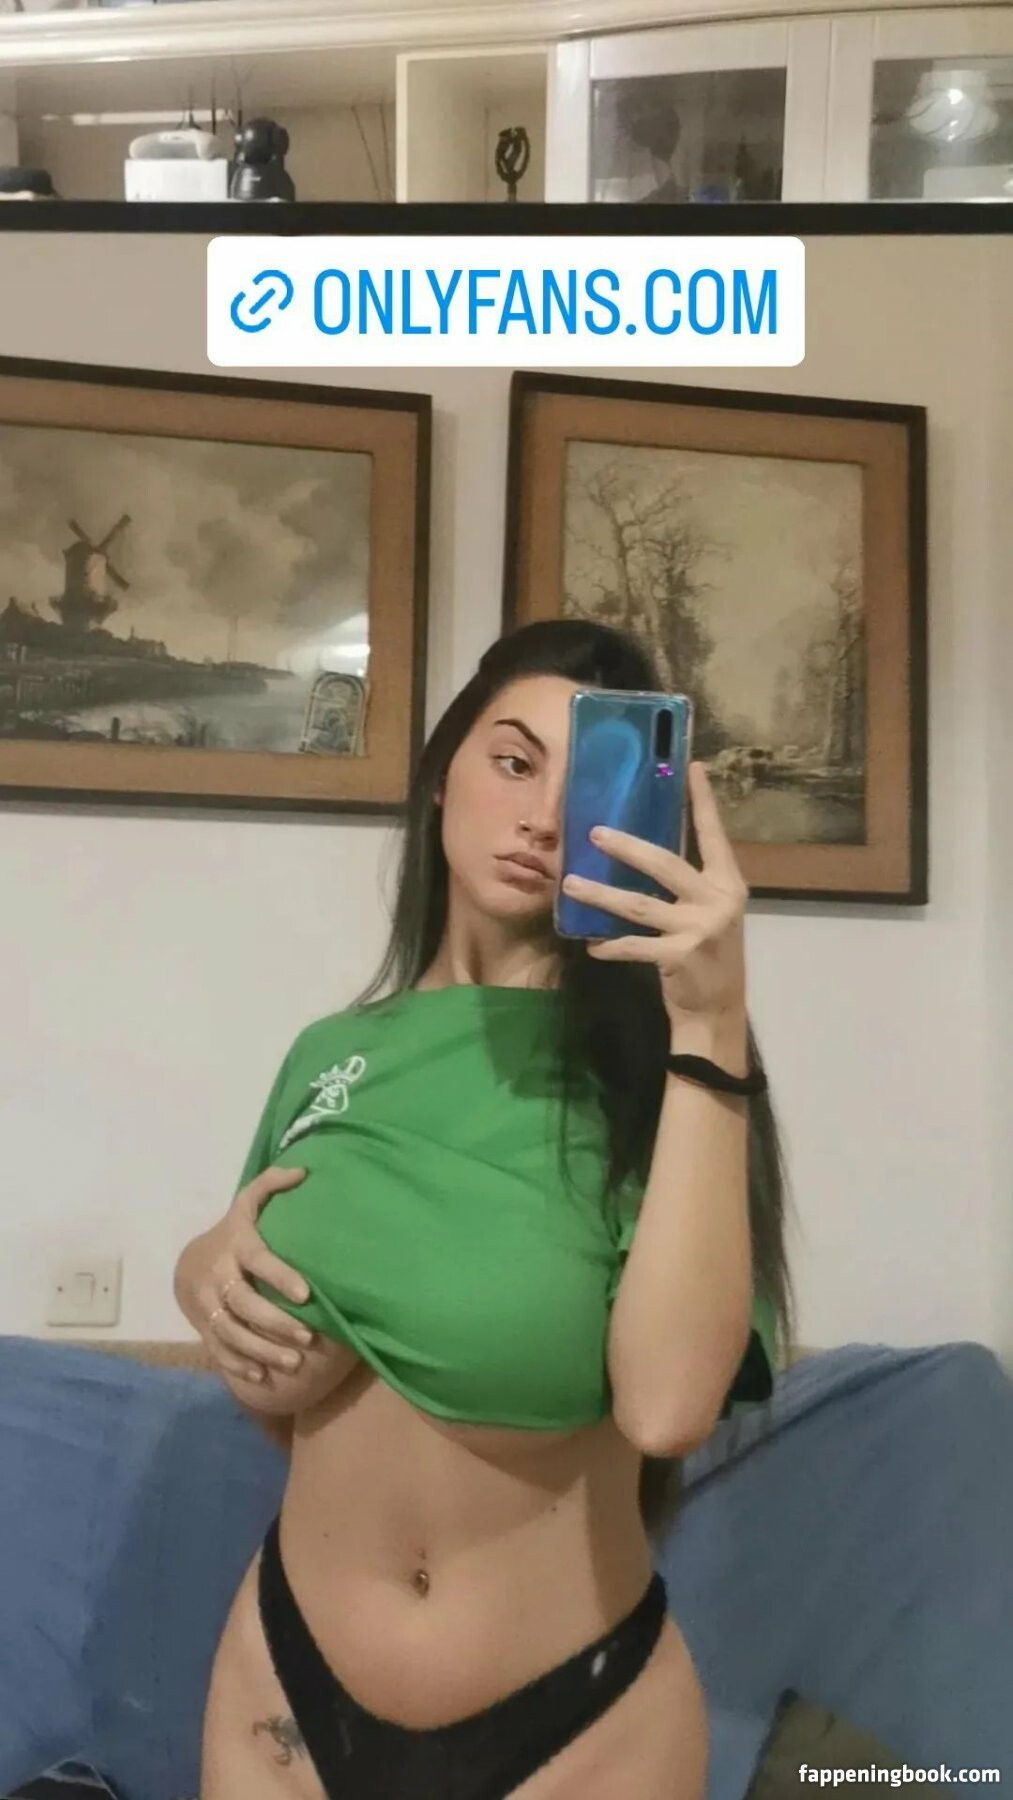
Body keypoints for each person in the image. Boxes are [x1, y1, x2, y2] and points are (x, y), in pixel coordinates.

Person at [173, 618, 793, 1800]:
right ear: (441, 772)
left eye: (586, 784)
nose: (544, 818)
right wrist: (201, 1267)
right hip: (282, 1695)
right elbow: (268, 1361)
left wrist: (711, 1025)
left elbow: (666, 1407)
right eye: (513, 762)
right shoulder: (329, 1053)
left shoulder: (665, 1071)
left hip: (577, 1732)